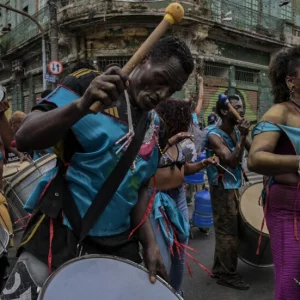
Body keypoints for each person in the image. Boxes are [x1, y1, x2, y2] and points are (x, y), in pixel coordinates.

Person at [1, 36, 194, 300]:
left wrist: (150, 243)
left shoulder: (155, 127)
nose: (162, 94)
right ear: (145, 58)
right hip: (58, 235)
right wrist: (81, 106)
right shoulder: (87, 83)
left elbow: (137, 190)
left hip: (117, 245)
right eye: (161, 79)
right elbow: (24, 136)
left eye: (171, 89)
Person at [149, 98, 218, 296]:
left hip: (178, 195)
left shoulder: (185, 142)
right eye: (185, 119)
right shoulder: (152, 141)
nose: (189, 123)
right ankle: (158, 294)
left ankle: (176, 291)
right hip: (155, 200)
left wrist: (204, 164)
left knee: (181, 246)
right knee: (161, 252)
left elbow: (184, 168)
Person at [247, 46, 300, 300]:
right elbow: (255, 159)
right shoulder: (280, 112)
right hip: (288, 210)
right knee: (291, 285)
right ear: (291, 80)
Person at [205, 95, 251, 290]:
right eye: (236, 107)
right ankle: (228, 275)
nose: (241, 111)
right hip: (222, 189)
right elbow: (231, 161)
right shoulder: (213, 135)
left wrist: (245, 135)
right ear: (225, 111)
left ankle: (219, 268)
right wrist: (242, 136)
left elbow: (255, 150)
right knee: (228, 233)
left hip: (233, 187)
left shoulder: (234, 130)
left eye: (242, 107)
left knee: (228, 230)